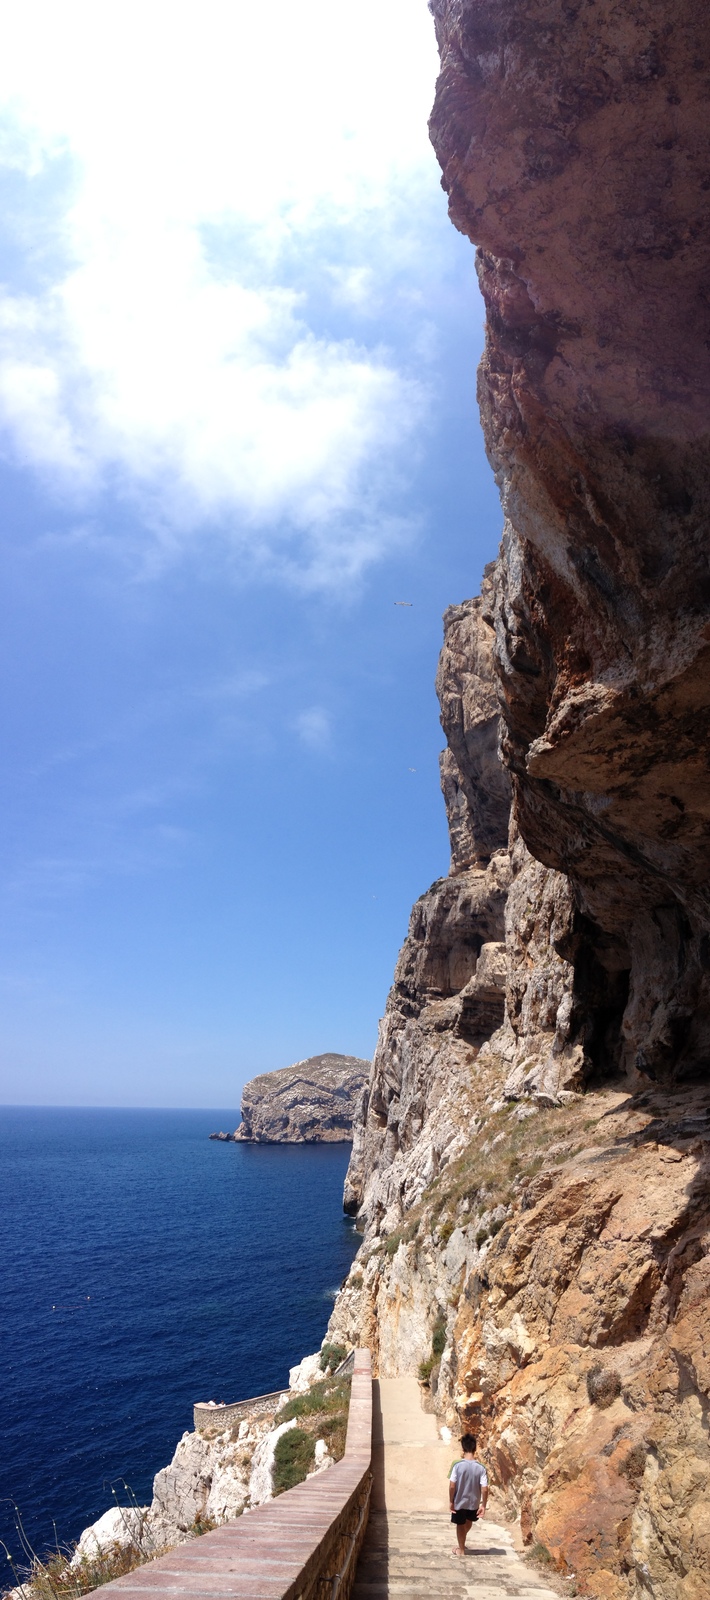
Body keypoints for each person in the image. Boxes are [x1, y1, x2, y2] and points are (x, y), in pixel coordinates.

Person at [448, 1432, 488, 1556]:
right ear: (475, 1448)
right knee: (469, 1521)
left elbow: (452, 1485)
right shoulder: (481, 1468)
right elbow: (485, 1488)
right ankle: (462, 1543)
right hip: (474, 1502)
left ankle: (461, 1550)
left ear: (463, 1448)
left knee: (460, 1524)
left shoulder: (457, 1465)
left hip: (459, 1500)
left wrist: (451, 1501)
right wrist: (483, 1505)